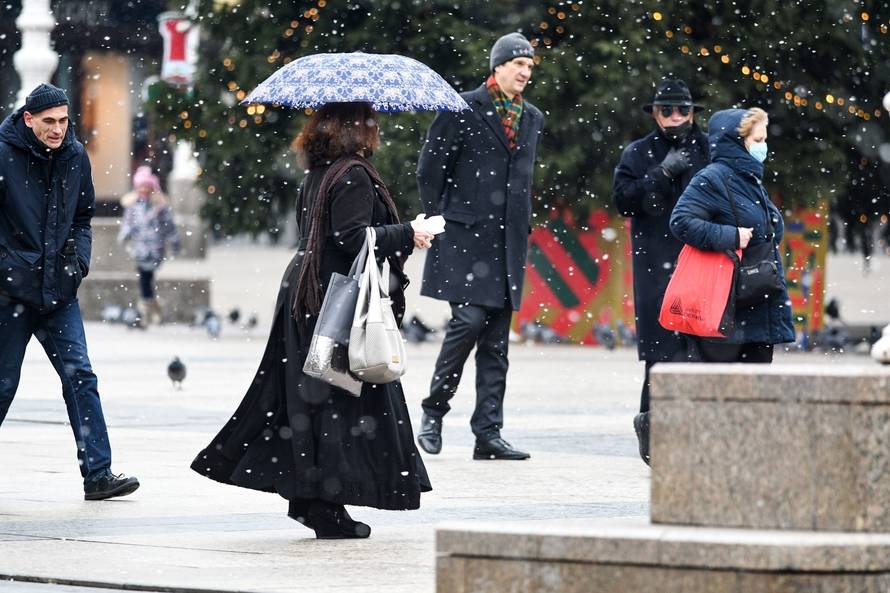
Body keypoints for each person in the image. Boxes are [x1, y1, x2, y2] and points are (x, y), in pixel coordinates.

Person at [191, 102, 433, 539]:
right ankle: (323, 505)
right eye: (369, 121)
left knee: (308, 400)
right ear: (355, 129)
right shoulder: (353, 173)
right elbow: (351, 236)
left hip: (308, 293)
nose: (375, 129)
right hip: (333, 301)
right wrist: (407, 233)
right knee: (339, 402)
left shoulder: (319, 172)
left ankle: (310, 499)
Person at [0, 83, 140, 500]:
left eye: (63, 121)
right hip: (10, 293)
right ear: (29, 119)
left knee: (81, 376)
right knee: (3, 385)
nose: (58, 129)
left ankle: (98, 475)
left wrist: (77, 262)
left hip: (58, 290)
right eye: (49, 122)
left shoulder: (75, 155)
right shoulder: (4, 154)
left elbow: (82, 216)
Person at [415, 32, 545, 461]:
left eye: (530, 66)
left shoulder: (532, 119)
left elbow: (521, 180)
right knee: (468, 322)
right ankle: (433, 412)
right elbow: (429, 169)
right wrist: (440, 219)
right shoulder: (461, 108)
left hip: (507, 242)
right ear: (498, 66)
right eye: (518, 64)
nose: (525, 72)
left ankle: (488, 434)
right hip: (464, 238)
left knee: (496, 343)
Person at [612, 78, 709, 465]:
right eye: (666, 110)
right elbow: (623, 201)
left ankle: (694, 432)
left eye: (682, 110)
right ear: (654, 113)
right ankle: (651, 426)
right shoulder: (638, 153)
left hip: (702, 264)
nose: (674, 117)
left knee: (703, 350)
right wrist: (661, 175)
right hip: (656, 266)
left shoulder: (710, 149)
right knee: (661, 352)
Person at [670, 107, 795, 362]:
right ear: (736, 143)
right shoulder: (713, 178)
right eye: (757, 141)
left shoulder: (750, 179)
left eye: (765, 140)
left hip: (757, 301)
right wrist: (731, 237)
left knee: (757, 393)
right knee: (725, 394)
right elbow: (681, 221)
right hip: (729, 309)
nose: (764, 147)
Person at [118, 165, 181, 325]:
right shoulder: (133, 206)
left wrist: (174, 243)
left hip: (155, 248)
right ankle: (149, 308)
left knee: (147, 277)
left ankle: (148, 307)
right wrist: (124, 235)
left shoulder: (159, 207)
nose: (144, 189)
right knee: (145, 277)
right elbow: (128, 223)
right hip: (139, 249)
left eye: (147, 186)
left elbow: (169, 226)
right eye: (141, 186)